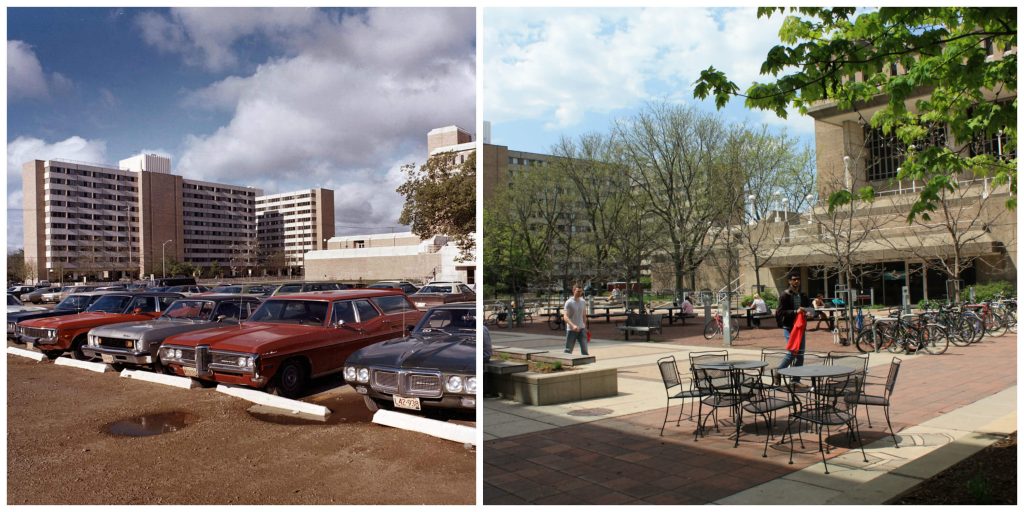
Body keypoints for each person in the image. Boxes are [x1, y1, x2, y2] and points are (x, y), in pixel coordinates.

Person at [776, 272, 812, 382]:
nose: (797, 281)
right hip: (789, 328)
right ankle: (778, 372)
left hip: (800, 328)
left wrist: (810, 312)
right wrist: (796, 311)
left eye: (798, 279)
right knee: (793, 352)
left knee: (800, 354)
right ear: (789, 281)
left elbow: (810, 308)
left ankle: (795, 380)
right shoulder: (785, 295)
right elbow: (780, 312)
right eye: (794, 279)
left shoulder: (803, 295)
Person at [563, 285, 589, 355]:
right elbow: (565, 317)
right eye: (578, 291)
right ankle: (566, 362)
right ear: (573, 291)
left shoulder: (583, 301)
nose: (579, 293)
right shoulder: (569, 302)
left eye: (581, 291)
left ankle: (585, 363)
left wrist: (585, 327)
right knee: (568, 350)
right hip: (572, 330)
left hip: (582, 329)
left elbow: (584, 315)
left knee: (585, 350)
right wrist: (573, 326)